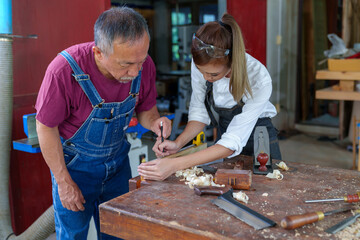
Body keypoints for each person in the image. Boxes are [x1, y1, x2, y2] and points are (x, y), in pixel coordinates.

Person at [35, 7, 171, 240]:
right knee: (73, 235)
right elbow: (46, 127)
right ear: (98, 53)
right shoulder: (64, 71)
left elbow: (146, 110)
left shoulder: (142, 65)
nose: (135, 71)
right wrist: (63, 182)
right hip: (75, 169)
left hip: (118, 166)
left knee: (118, 232)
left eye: (141, 61)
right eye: (125, 64)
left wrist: (156, 122)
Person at [138, 13, 281, 181]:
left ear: (232, 62)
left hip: (259, 138)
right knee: (228, 187)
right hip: (226, 135)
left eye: (213, 74)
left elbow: (232, 142)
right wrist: (178, 144)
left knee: (265, 189)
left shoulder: (258, 78)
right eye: (201, 71)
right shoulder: (201, 62)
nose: (206, 77)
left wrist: (175, 165)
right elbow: (200, 113)